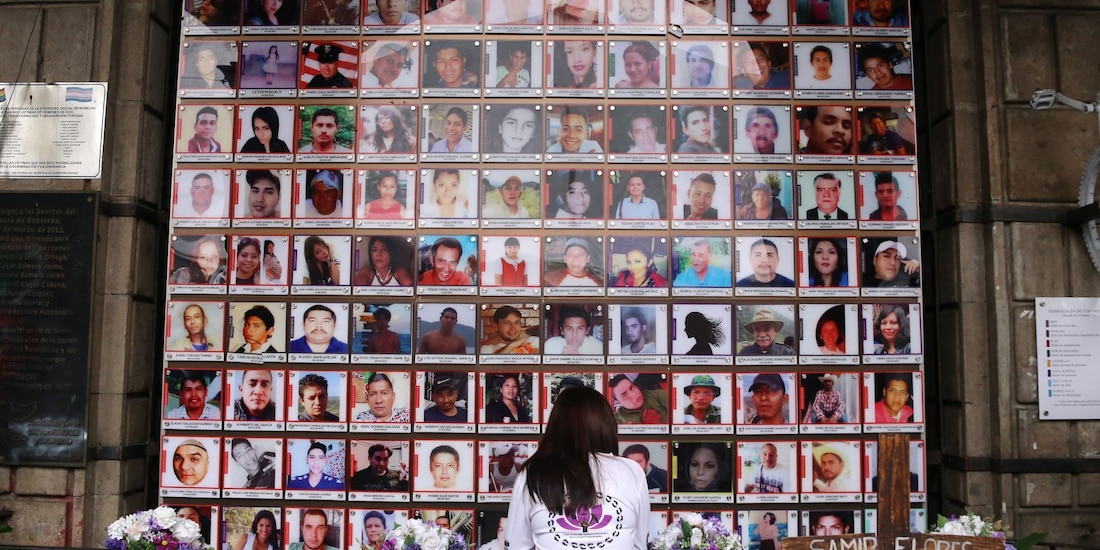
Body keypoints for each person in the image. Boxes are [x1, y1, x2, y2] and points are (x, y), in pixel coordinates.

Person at [504, 386, 650, 550]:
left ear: (556, 425)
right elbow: (639, 544)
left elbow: (516, 545)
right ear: (605, 424)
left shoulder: (532, 472)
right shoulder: (631, 471)